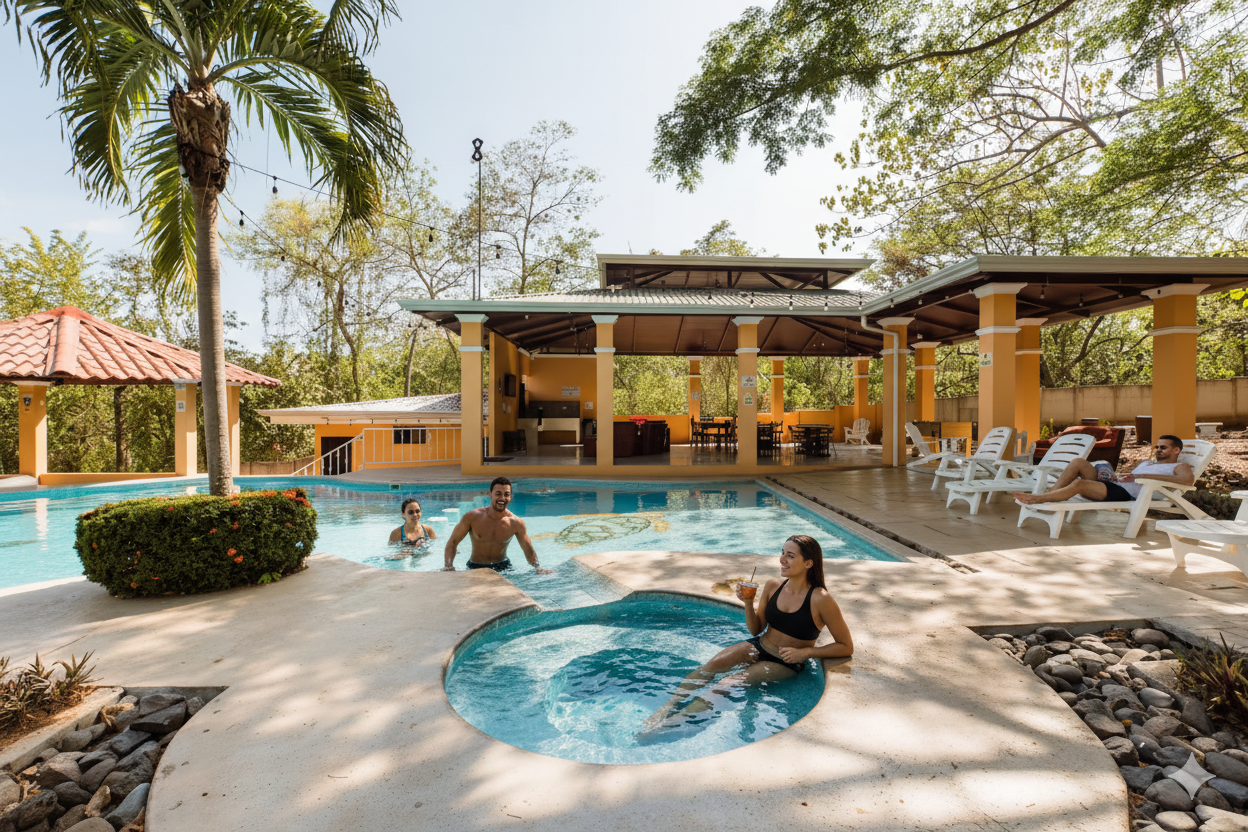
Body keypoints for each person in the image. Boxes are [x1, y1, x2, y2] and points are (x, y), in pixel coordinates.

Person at [641, 535, 853, 731]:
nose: (782, 560)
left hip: (784, 661)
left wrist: (807, 653)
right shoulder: (773, 586)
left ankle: (675, 723)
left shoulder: (821, 599)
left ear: (808, 563)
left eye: (790, 555)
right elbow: (756, 629)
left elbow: (846, 646)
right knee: (710, 667)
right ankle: (667, 707)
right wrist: (748, 602)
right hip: (759, 645)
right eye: (782, 553)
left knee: (725, 685)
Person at [1012, 434, 1194, 505]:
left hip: (1125, 493)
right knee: (1078, 462)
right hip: (1116, 483)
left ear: (1176, 450)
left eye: (1164, 448)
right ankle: (1052, 494)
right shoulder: (1150, 463)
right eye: (1157, 447)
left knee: (1079, 484)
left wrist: (1145, 476)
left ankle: (1038, 499)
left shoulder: (1180, 466)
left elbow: (1187, 481)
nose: (1158, 450)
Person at [442, 476, 552, 573]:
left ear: (510, 497)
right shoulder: (472, 517)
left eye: (506, 494)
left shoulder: (516, 523)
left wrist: (538, 567)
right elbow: (453, 541)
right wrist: (448, 566)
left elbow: (528, 549)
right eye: (498, 494)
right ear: (490, 494)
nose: (502, 498)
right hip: (475, 567)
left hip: (503, 568)